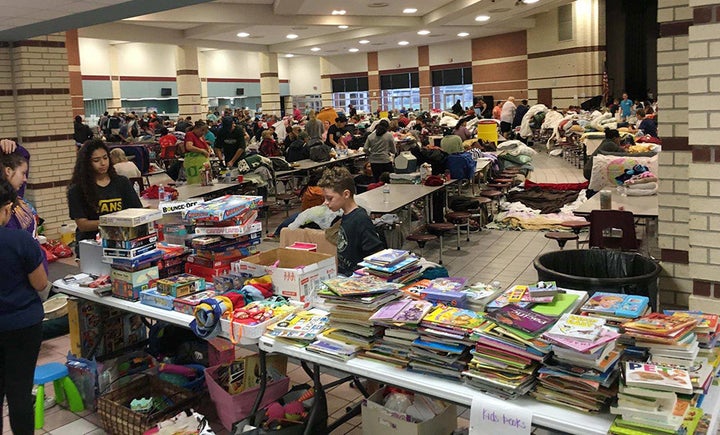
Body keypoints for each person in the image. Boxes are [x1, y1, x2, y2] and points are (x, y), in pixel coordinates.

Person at [0, 178, 49, 435]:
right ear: (7, 208)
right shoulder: (20, 240)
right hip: (22, 324)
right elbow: (41, 284)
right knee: (19, 392)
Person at [68, 140, 143, 253]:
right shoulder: (77, 189)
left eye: (105, 158)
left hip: (123, 242)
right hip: (92, 245)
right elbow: (83, 224)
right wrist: (115, 222)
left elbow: (137, 211)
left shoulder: (122, 182)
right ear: (86, 163)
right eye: (96, 160)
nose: (103, 163)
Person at [318, 166, 384, 276]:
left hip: (357, 279)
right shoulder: (345, 215)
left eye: (329, 198)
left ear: (346, 194)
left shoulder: (360, 219)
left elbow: (376, 256)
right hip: (344, 276)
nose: (325, 202)